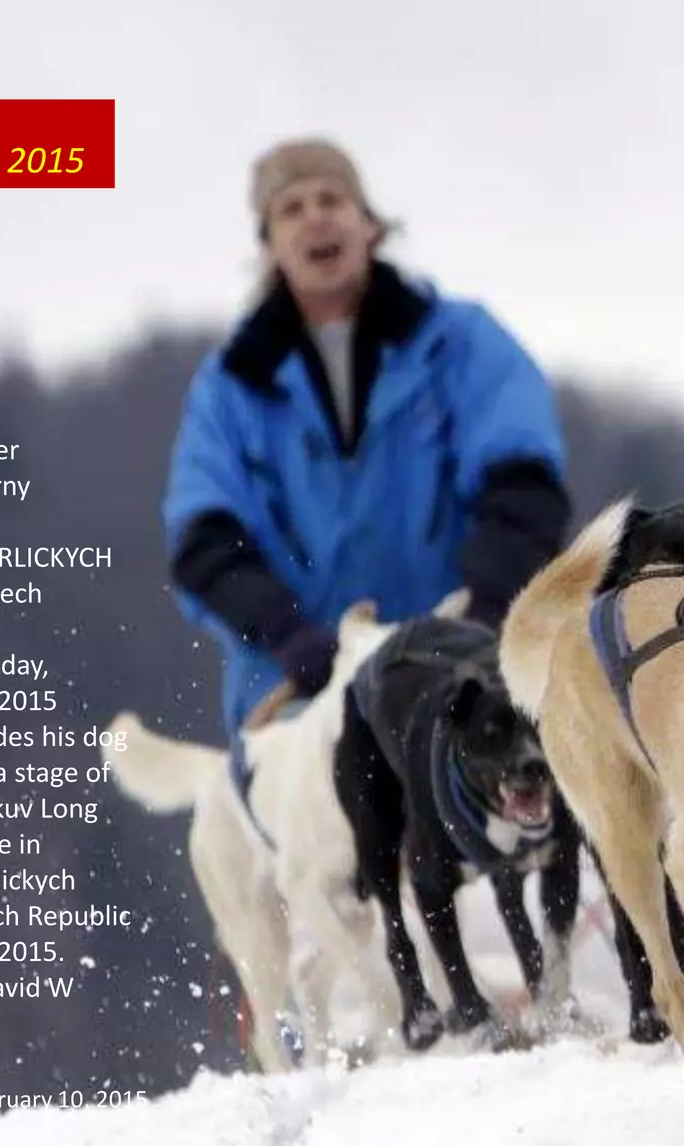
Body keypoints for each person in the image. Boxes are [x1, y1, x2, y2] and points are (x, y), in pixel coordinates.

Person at [161, 137, 572, 742]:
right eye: (291, 208)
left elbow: (525, 490)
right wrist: (288, 635)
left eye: (332, 198)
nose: (316, 216)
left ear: (371, 226)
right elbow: (205, 542)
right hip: (295, 697)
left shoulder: (464, 345)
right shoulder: (229, 387)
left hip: (460, 679)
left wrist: (483, 615)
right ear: (269, 246)